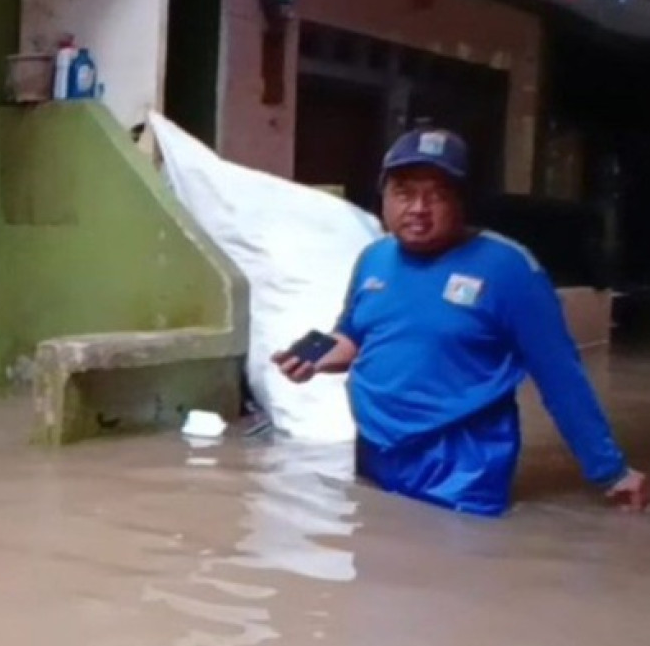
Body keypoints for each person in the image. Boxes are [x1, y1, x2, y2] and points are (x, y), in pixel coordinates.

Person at [273, 127, 646, 517]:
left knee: (456, 569)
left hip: (462, 476)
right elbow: (353, 334)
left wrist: (609, 471)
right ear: (383, 197)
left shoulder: (509, 268)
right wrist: (312, 357)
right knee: (372, 564)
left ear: (462, 200)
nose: (418, 207)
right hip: (375, 458)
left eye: (436, 193)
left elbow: (561, 377)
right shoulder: (373, 259)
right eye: (403, 191)